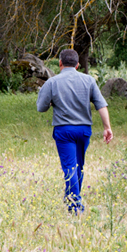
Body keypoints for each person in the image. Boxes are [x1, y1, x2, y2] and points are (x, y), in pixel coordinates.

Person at [37, 49, 113, 214]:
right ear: (78, 65)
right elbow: (101, 105)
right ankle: (70, 196)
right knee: (78, 166)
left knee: (70, 167)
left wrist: (52, 102)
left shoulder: (52, 82)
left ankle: (75, 205)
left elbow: (41, 107)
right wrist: (107, 127)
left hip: (64, 130)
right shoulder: (89, 80)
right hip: (84, 130)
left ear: (60, 63)